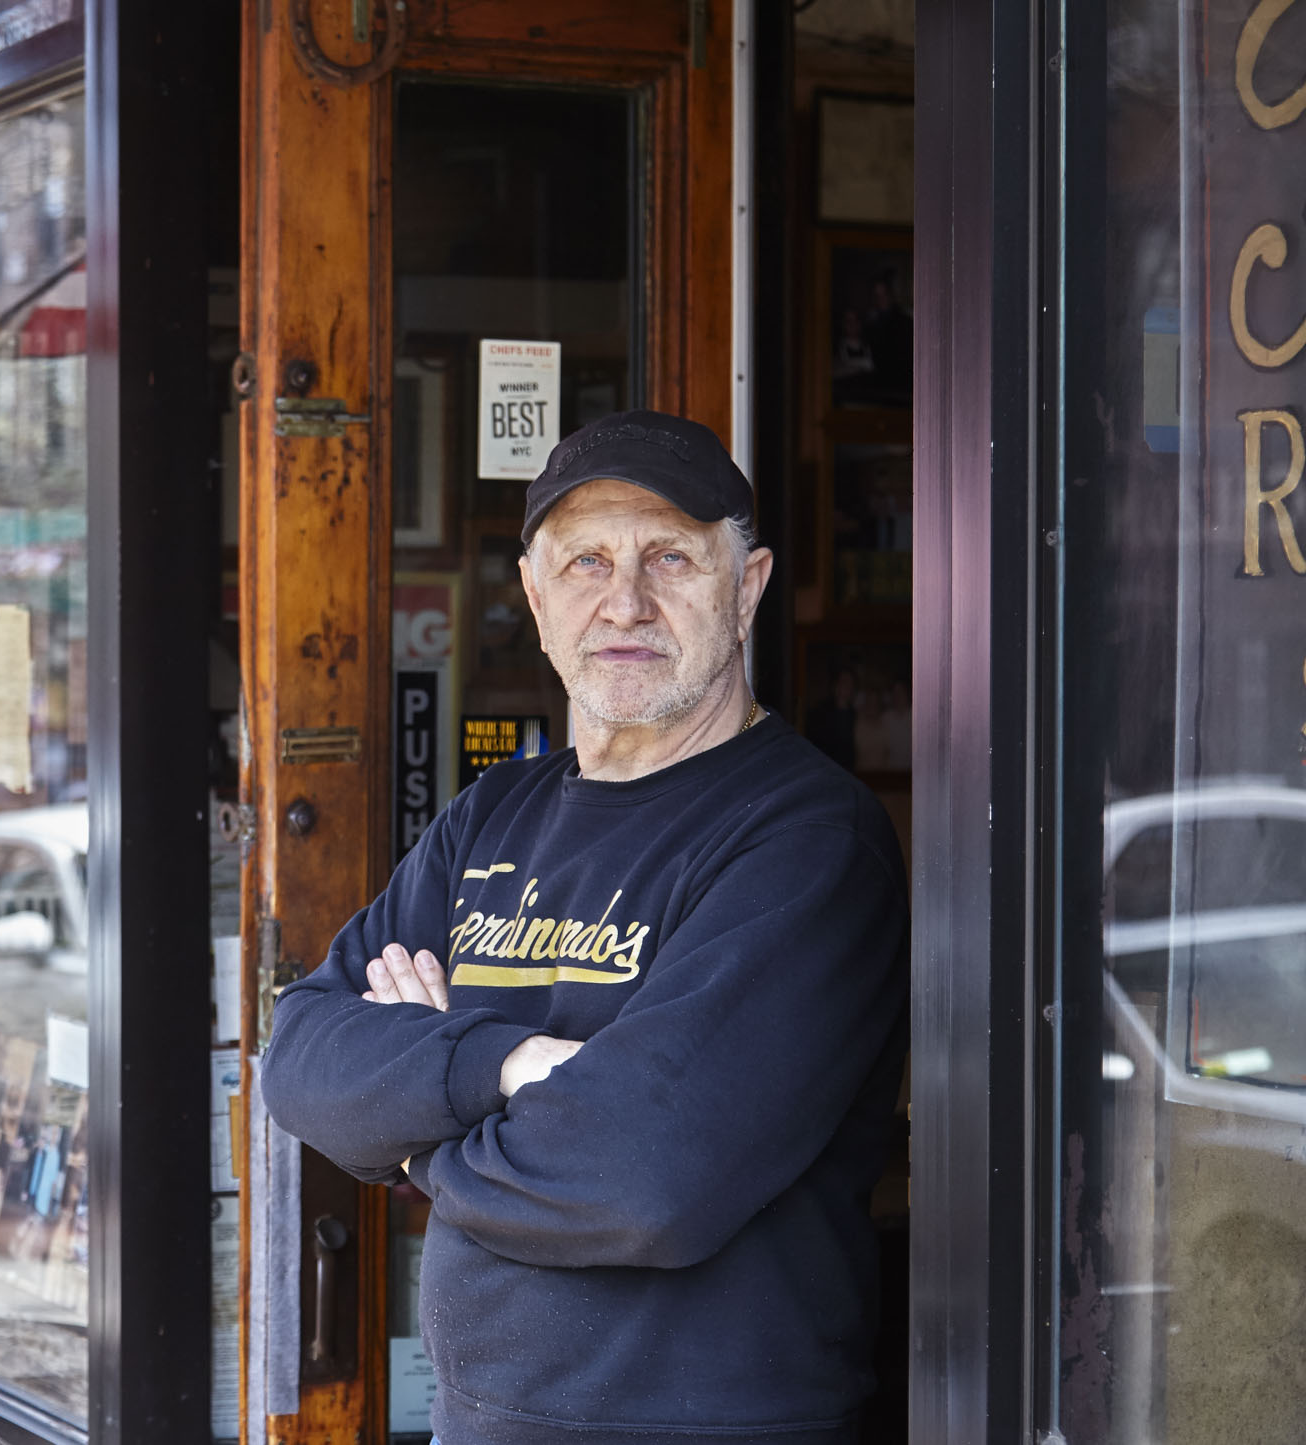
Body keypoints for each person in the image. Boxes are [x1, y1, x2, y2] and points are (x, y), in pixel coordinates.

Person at [260, 410, 909, 1445]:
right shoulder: (491, 814)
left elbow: (645, 1176)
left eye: (669, 558)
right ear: (533, 595)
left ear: (746, 587)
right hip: (480, 1418)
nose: (624, 600)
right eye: (587, 562)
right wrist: (511, 1064)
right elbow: (300, 1057)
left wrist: (418, 1145)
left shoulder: (808, 838)